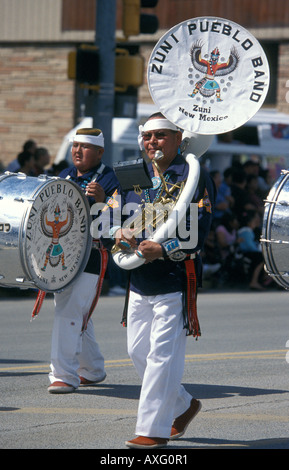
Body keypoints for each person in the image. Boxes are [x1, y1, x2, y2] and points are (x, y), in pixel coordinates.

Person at [109, 113, 215, 449]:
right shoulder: (129, 173)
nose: (153, 142)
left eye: (161, 136)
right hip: (139, 276)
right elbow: (111, 213)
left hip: (174, 275)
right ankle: (183, 405)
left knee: (162, 356)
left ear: (178, 137)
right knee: (137, 349)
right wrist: (118, 231)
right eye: (148, 136)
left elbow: (199, 230)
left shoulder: (194, 174)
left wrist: (164, 248)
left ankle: (152, 430)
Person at [47, 128, 120, 394]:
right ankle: (92, 368)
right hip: (62, 251)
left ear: (100, 152)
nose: (77, 151)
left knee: (68, 310)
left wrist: (103, 202)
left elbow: (120, 221)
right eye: (75, 145)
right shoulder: (64, 175)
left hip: (91, 253)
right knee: (74, 310)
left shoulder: (112, 179)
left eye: (85, 147)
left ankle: (63, 374)